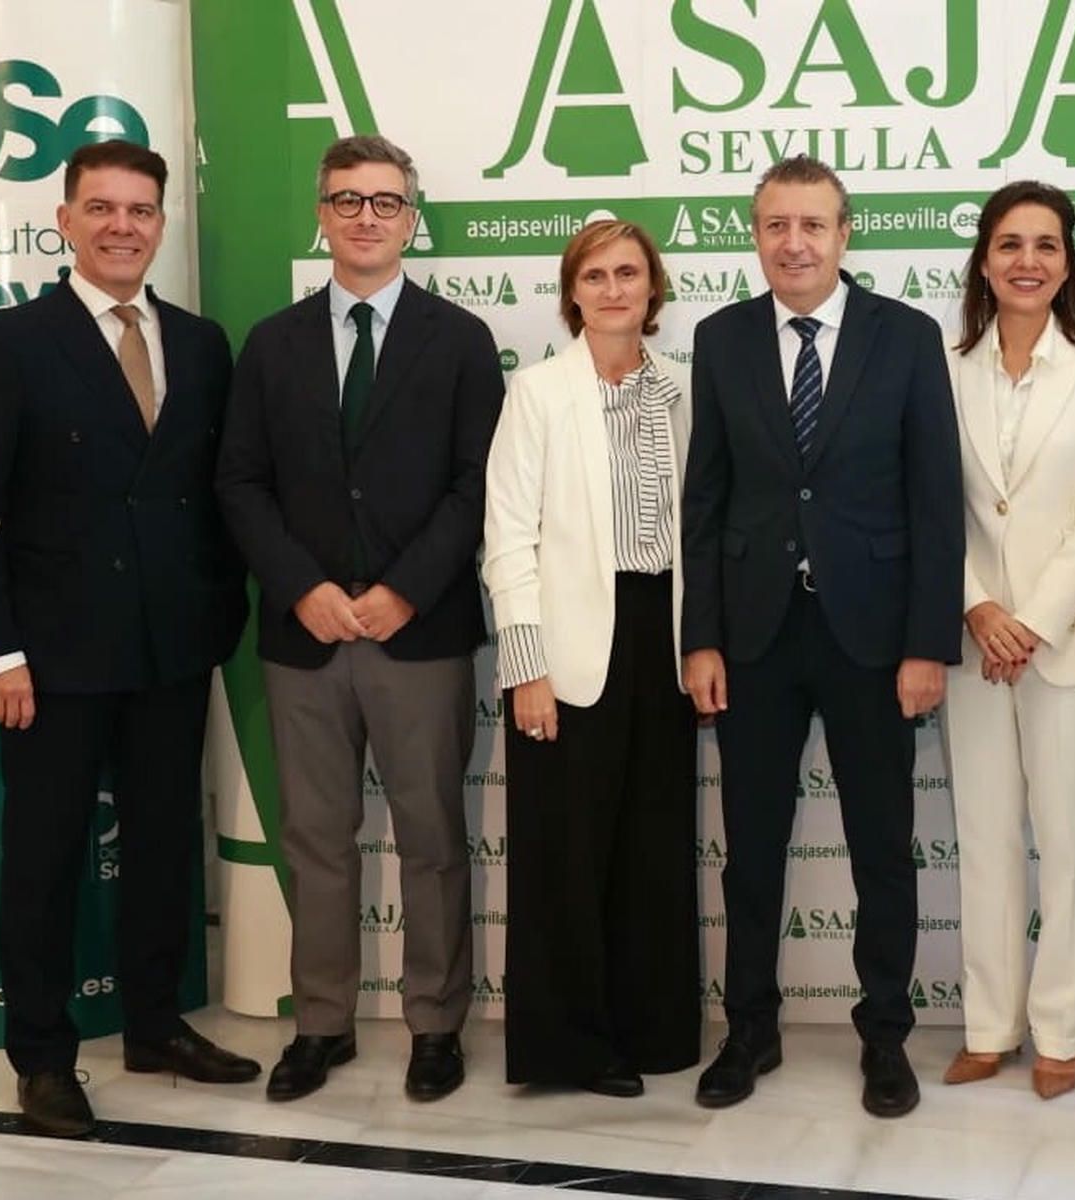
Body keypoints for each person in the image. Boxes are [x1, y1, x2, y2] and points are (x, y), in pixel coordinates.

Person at [0, 139, 259, 1137]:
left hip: (171, 648)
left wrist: (218, 616)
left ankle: (156, 1024)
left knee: (165, 846)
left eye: (141, 209)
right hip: (50, 659)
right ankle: (39, 1056)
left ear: (162, 223)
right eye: (103, 208)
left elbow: (211, 496)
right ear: (66, 221)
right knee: (43, 859)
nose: (123, 225)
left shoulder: (201, 344)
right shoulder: (11, 342)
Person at [215, 134, 503, 1105]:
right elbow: (240, 483)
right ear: (321, 213)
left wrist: (404, 588)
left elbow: (477, 486)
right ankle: (322, 1023)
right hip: (305, 636)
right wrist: (302, 586)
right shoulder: (272, 343)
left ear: (411, 218)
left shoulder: (459, 340)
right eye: (348, 200)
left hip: (419, 634)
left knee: (429, 837)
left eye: (386, 202)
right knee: (317, 839)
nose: (367, 217)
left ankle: (434, 1024)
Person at [679, 155, 963, 1119]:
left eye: (811, 224)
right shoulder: (719, 340)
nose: (792, 243)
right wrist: (700, 637)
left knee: (883, 846)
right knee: (750, 848)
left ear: (846, 234)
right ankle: (747, 1031)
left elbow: (935, 499)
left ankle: (885, 1034)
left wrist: (928, 644)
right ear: (753, 236)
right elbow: (705, 498)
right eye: (774, 225)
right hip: (755, 635)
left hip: (874, 637)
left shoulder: (907, 336)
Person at [482, 219, 699, 1097]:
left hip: (665, 638)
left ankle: (652, 1030)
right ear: (572, 292)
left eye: (630, 274)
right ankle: (569, 1046)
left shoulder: (684, 390)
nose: (614, 289)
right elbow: (507, 539)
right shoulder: (537, 393)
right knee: (563, 851)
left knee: (653, 843)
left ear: (654, 290)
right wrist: (525, 666)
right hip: (567, 644)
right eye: (596, 275)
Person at [937, 181, 1075, 1101]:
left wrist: (1032, 625)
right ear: (984, 259)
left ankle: (1060, 1032)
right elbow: (930, 504)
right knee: (982, 840)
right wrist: (980, 608)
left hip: (1070, 646)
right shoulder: (943, 364)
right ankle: (989, 1026)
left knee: (1065, 844)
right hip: (973, 644)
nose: (1026, 261)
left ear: (1068, 263)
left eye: (1045, 245)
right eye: (1010, 244)